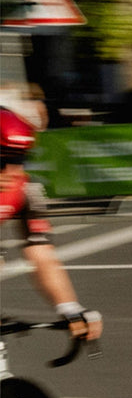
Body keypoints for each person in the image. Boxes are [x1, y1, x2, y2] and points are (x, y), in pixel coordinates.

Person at [0, 107, 103, 342]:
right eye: (2, 160)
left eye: (19, 159)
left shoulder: (26, 190)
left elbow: (42, 255)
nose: (12, 171)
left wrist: (69, 307)